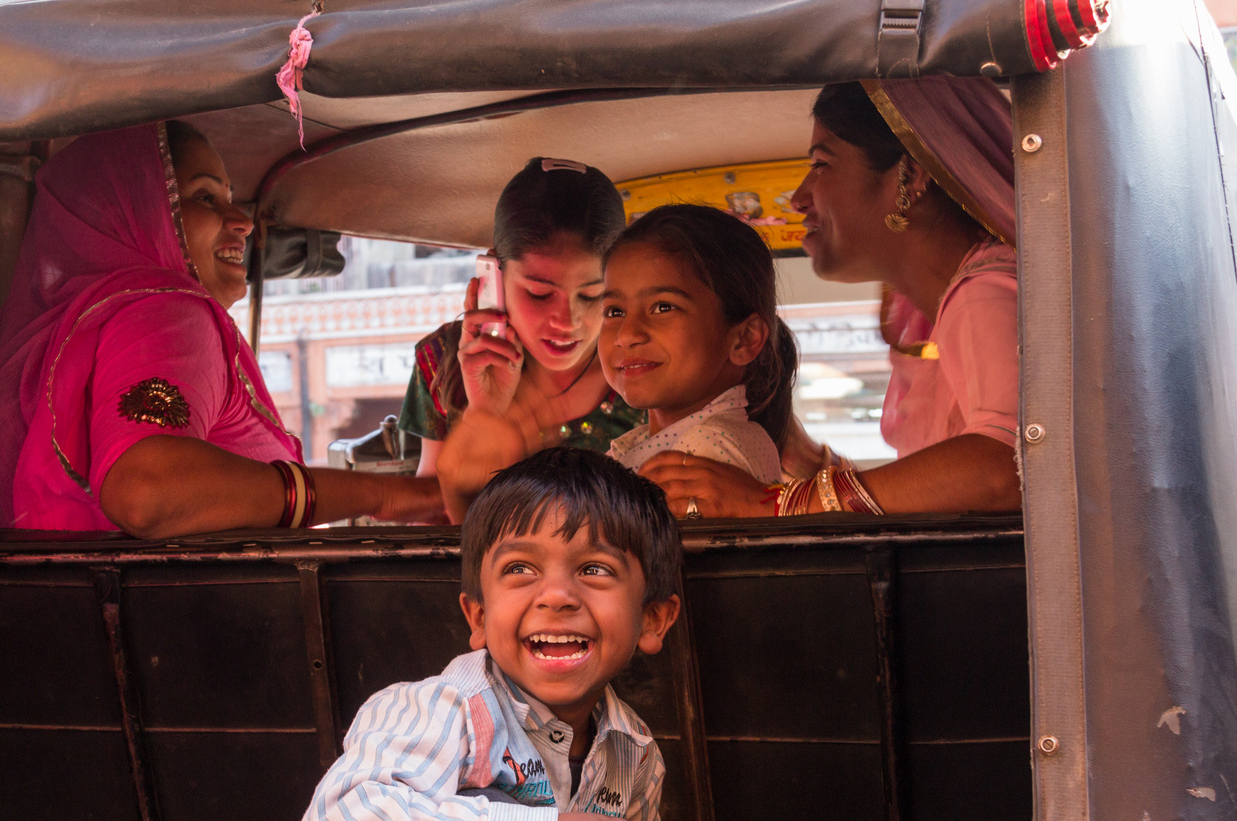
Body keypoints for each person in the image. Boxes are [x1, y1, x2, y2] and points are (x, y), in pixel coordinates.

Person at [0, 121, 441, 536]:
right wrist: (386, 495)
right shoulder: (167, 312)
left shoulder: (58, 333)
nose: (240, 220)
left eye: (229, 197)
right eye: (203, 198)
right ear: (136, 213)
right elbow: (145, 491)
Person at [300, 448, 703, 821]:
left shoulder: (634, 752)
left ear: (653, 620)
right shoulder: (443, 708)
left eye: (594, 569)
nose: (556, 596)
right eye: (520, 569)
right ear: (480, 617)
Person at [638, 76, 1021, 518]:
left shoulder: (984, 294)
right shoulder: (942, 312)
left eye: (821, 164)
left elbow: (1002, 469)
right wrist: (811, 465)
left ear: (909, 175)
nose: (800, 198)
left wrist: (776, 504)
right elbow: (944, 503)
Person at [399, 157, 643, 477]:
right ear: (493, 276)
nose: (568, 321)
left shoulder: (645, 363)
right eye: (539, 294)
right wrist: (482, 415)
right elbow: (431, 517)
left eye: (591, 295)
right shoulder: (444, 358)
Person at [600, 204, 798, 509]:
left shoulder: (704, 449)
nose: (626, 335)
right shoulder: (653, 444)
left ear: (744, 339)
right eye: (615, 311)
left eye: (663, 307)